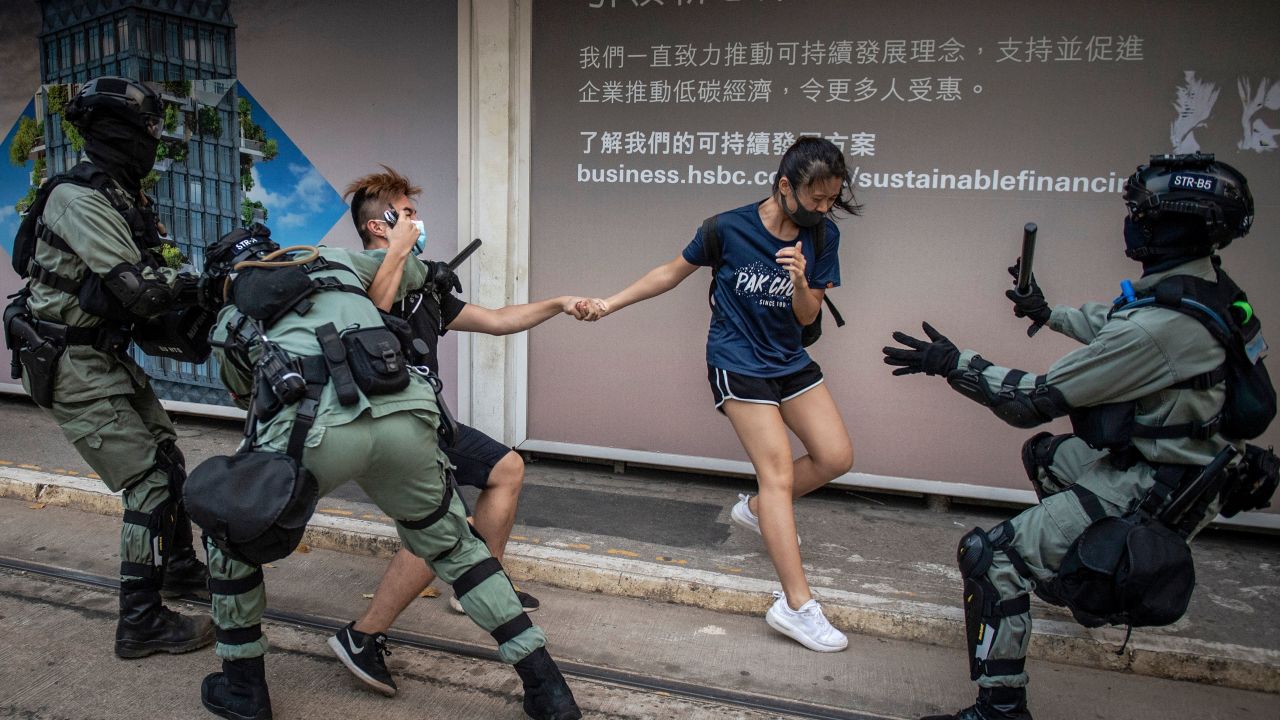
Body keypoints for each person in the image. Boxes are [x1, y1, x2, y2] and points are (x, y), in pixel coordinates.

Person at [881, 153, 1269, 720]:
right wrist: (1048, 312)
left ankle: (1000, 709)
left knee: (990, 557)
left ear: (1174, 224)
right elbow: (1118, 320)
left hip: (1152, 485)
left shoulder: (1159, 330)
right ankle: (1080, 573)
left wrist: (952, 362)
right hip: (1191, 470)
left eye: (1142, 212)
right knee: (1050, 457)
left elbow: (1028, 399)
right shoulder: (1208, 293)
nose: (1131, 221)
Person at [196, 224, 580, 720]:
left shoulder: (234, 313)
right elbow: (415, 273)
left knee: (231, 533)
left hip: (316, 431)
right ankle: (548, 690)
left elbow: (245, 395)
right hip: (407, 415)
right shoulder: (333, 260)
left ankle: (243, 688)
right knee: (456, 548)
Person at [583, 137, 857, 652]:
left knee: (836, 456)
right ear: (784, 186)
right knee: (776, 472)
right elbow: (671, 272)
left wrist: (800, 279)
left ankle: (757, 510)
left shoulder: (824, 237)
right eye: (816, 199)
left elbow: (807, 316)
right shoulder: (726, 228)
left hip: (789, 358)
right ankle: (796, 606)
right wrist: (610, 303)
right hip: (737, 361)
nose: (824, 209)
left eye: (831, 200)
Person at [327, 166, 590, 696]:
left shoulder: (426, 288)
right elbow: (372, 317)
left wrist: (559, 304)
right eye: (406, 214)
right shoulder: (346, 283)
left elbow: (495, 318)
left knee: (506, 467)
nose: (418, 223)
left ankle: (477, 583)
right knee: (440, 524)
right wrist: (400, 253)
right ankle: (362, 636)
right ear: (380, 226)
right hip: (380, 429)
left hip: (425, 421)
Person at [4, 76, 212, 659]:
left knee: (166, 458)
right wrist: (207, 280)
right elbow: (139, 290)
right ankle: (141, 622)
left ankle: (177, 569)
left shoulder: (120, 193)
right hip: (71, 361)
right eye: (146, 130)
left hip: (100, 353)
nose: (151, 141)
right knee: (146, 482)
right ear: (116, 132)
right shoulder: (80, 198)